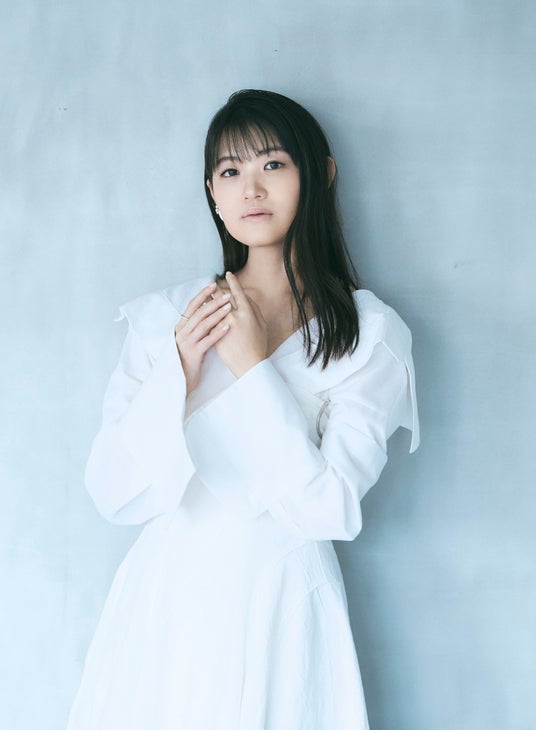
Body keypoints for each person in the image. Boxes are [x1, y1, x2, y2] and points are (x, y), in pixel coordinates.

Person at [68, 89, 420, 730]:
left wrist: (257, 369)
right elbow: (114, 493)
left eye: (273, 164)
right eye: (230, 171)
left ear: (321, 173)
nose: (251, 189)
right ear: (212, 191)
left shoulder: (369, 335)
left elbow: (331, 510)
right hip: (167, 603)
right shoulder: (169, 318)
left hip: (280, 601)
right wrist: (179, 369)